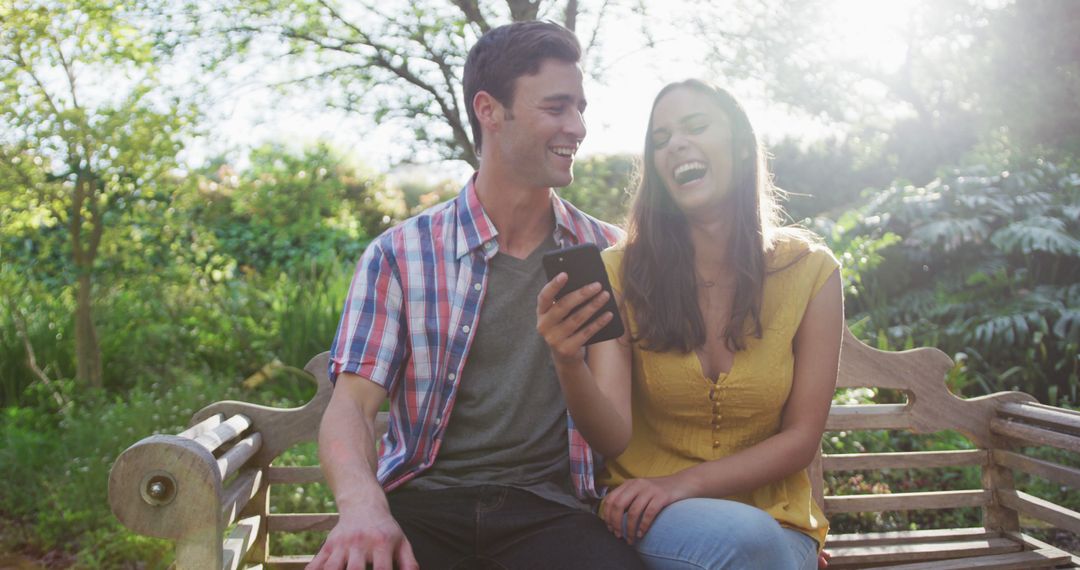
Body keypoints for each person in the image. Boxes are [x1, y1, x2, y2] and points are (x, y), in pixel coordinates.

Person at [308, 20, 646, 570]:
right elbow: (351, 405)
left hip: (551, 512)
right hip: (422, 505)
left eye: (580, 107)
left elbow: (616, 428)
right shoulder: (400, 254)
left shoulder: (607, 253)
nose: (578, 127)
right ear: (489, 110)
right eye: (557, 107)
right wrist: (363, 506)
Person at [538, 80, 843, 569]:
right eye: (660, 140)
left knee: (757, 544)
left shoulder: (811, 271)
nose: (675, 144)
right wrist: (568, 361)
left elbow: (801, 439)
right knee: (745, 545)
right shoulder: (619, 273)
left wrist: (680, 484)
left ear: (742, 147)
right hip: (654, 517)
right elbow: (613, 436)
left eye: (696, 127)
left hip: (777, 524)